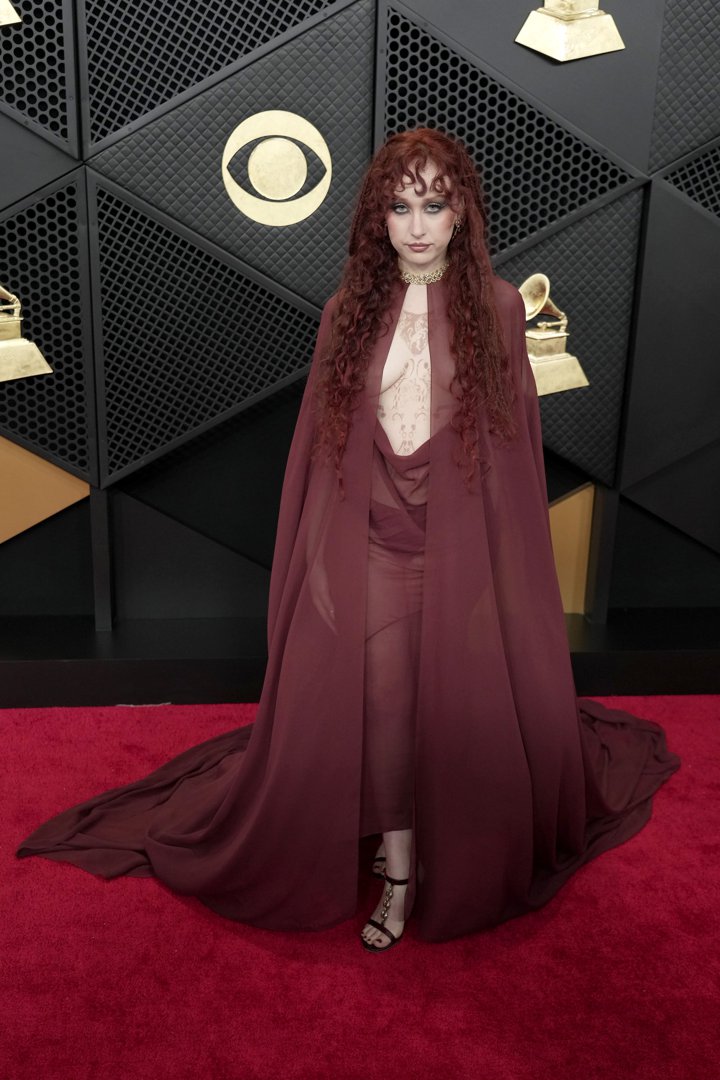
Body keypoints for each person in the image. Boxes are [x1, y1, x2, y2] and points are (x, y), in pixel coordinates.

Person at [16, 128, 680, 953]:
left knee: (450, 710)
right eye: (400, 206)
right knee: (385, 703)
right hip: (373, 546)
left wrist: (500, 581)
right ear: (377, 218)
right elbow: (327, 449)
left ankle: (444, 842)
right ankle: (400, 870)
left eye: (434, 204)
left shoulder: (502, 309)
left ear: (462, 211)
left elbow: (511, 458)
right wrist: (320, 565)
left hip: (459, 548)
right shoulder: (348, 314)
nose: (417, 224)